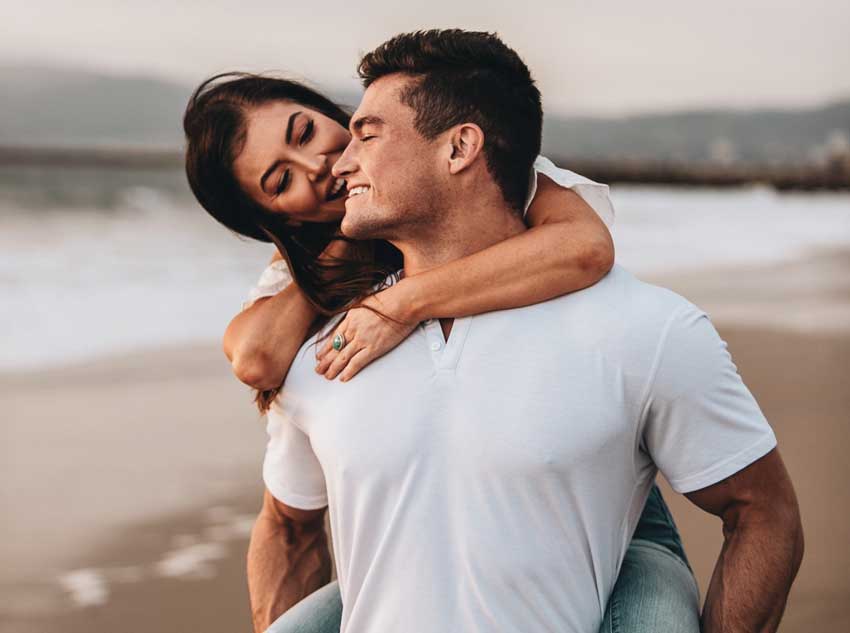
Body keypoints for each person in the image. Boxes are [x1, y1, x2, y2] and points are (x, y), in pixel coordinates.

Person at [178, 37, 750, 633]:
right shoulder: (319, 266)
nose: (318, 166)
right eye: (280, 183)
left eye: (303, 134)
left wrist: (403, 303)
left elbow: (584, 248)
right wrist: (332, 254)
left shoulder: (469, 176)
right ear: (279, 219)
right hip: (420, 512)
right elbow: (256, 356)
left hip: (585, 482)